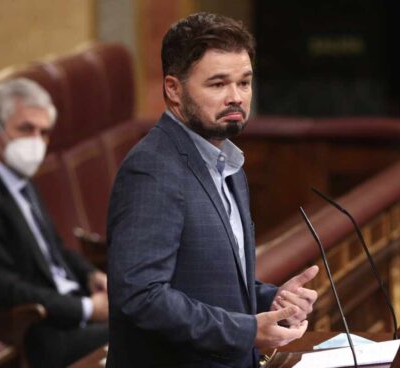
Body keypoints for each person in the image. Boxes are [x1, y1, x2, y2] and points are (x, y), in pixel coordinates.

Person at [106, 12, 319, 367]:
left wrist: (271, 299)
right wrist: (246, 331)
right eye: (218, 84)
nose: (236, 98)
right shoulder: (154, 168)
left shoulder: (228, 163)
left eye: (245, 83)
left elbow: (207, 283)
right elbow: (141, 296)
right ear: (173, 89)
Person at [0, 78, 109, 367]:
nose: (37, 141)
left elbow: (55, 250)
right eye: (26, 129)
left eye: (44, 132)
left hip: (70, 312)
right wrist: (86, 309)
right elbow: (4, 290)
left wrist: (90, 275)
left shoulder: (23, 183)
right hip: (40, 333)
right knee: (145, 333)